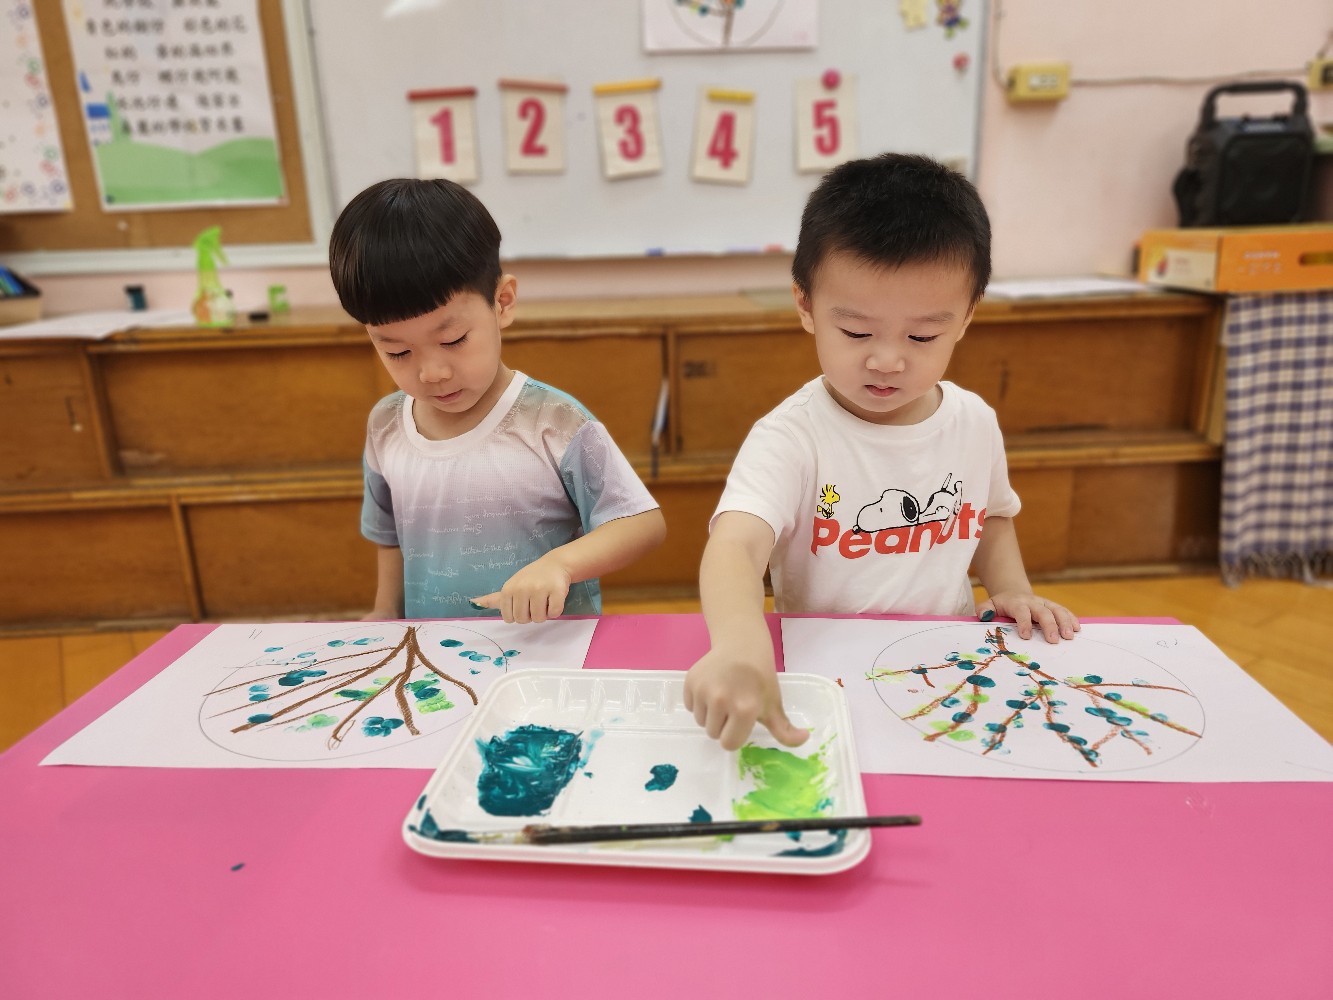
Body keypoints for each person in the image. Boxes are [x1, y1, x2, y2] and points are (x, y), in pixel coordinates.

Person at [684, 153, 1079, 751]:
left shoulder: (974, 422)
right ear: (805, 306)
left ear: (966, 317)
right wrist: (740, 646)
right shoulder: (790, 436)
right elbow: (736, 546)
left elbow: (991, 517)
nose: (887, 360)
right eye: (856, 332)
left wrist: (1012, 589)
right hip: (828, 674)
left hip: (950, 666)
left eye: (922, 336)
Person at [329, 178, 666, 623]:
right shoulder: (385, 424)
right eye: (397, 352)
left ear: (502, 303)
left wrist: (560, 565)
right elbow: (389, 536)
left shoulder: (553, 421)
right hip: (435, 655)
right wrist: (385, 612)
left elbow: (642, 524)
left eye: (453, 340)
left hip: (546, 648)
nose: (431, 372)